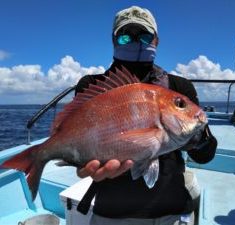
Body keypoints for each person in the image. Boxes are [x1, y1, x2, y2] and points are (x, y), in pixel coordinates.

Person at [75, 6, 217, 225]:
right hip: (111, 212)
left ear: (156, 41)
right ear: (114, 41)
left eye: (144, 35)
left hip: (171, 209)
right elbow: (80, 146)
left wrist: (198, 138)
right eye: (125, 36)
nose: (135, 41)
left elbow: (205, 155)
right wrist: (77, 158)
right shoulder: (93, 87)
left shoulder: (179, 88)